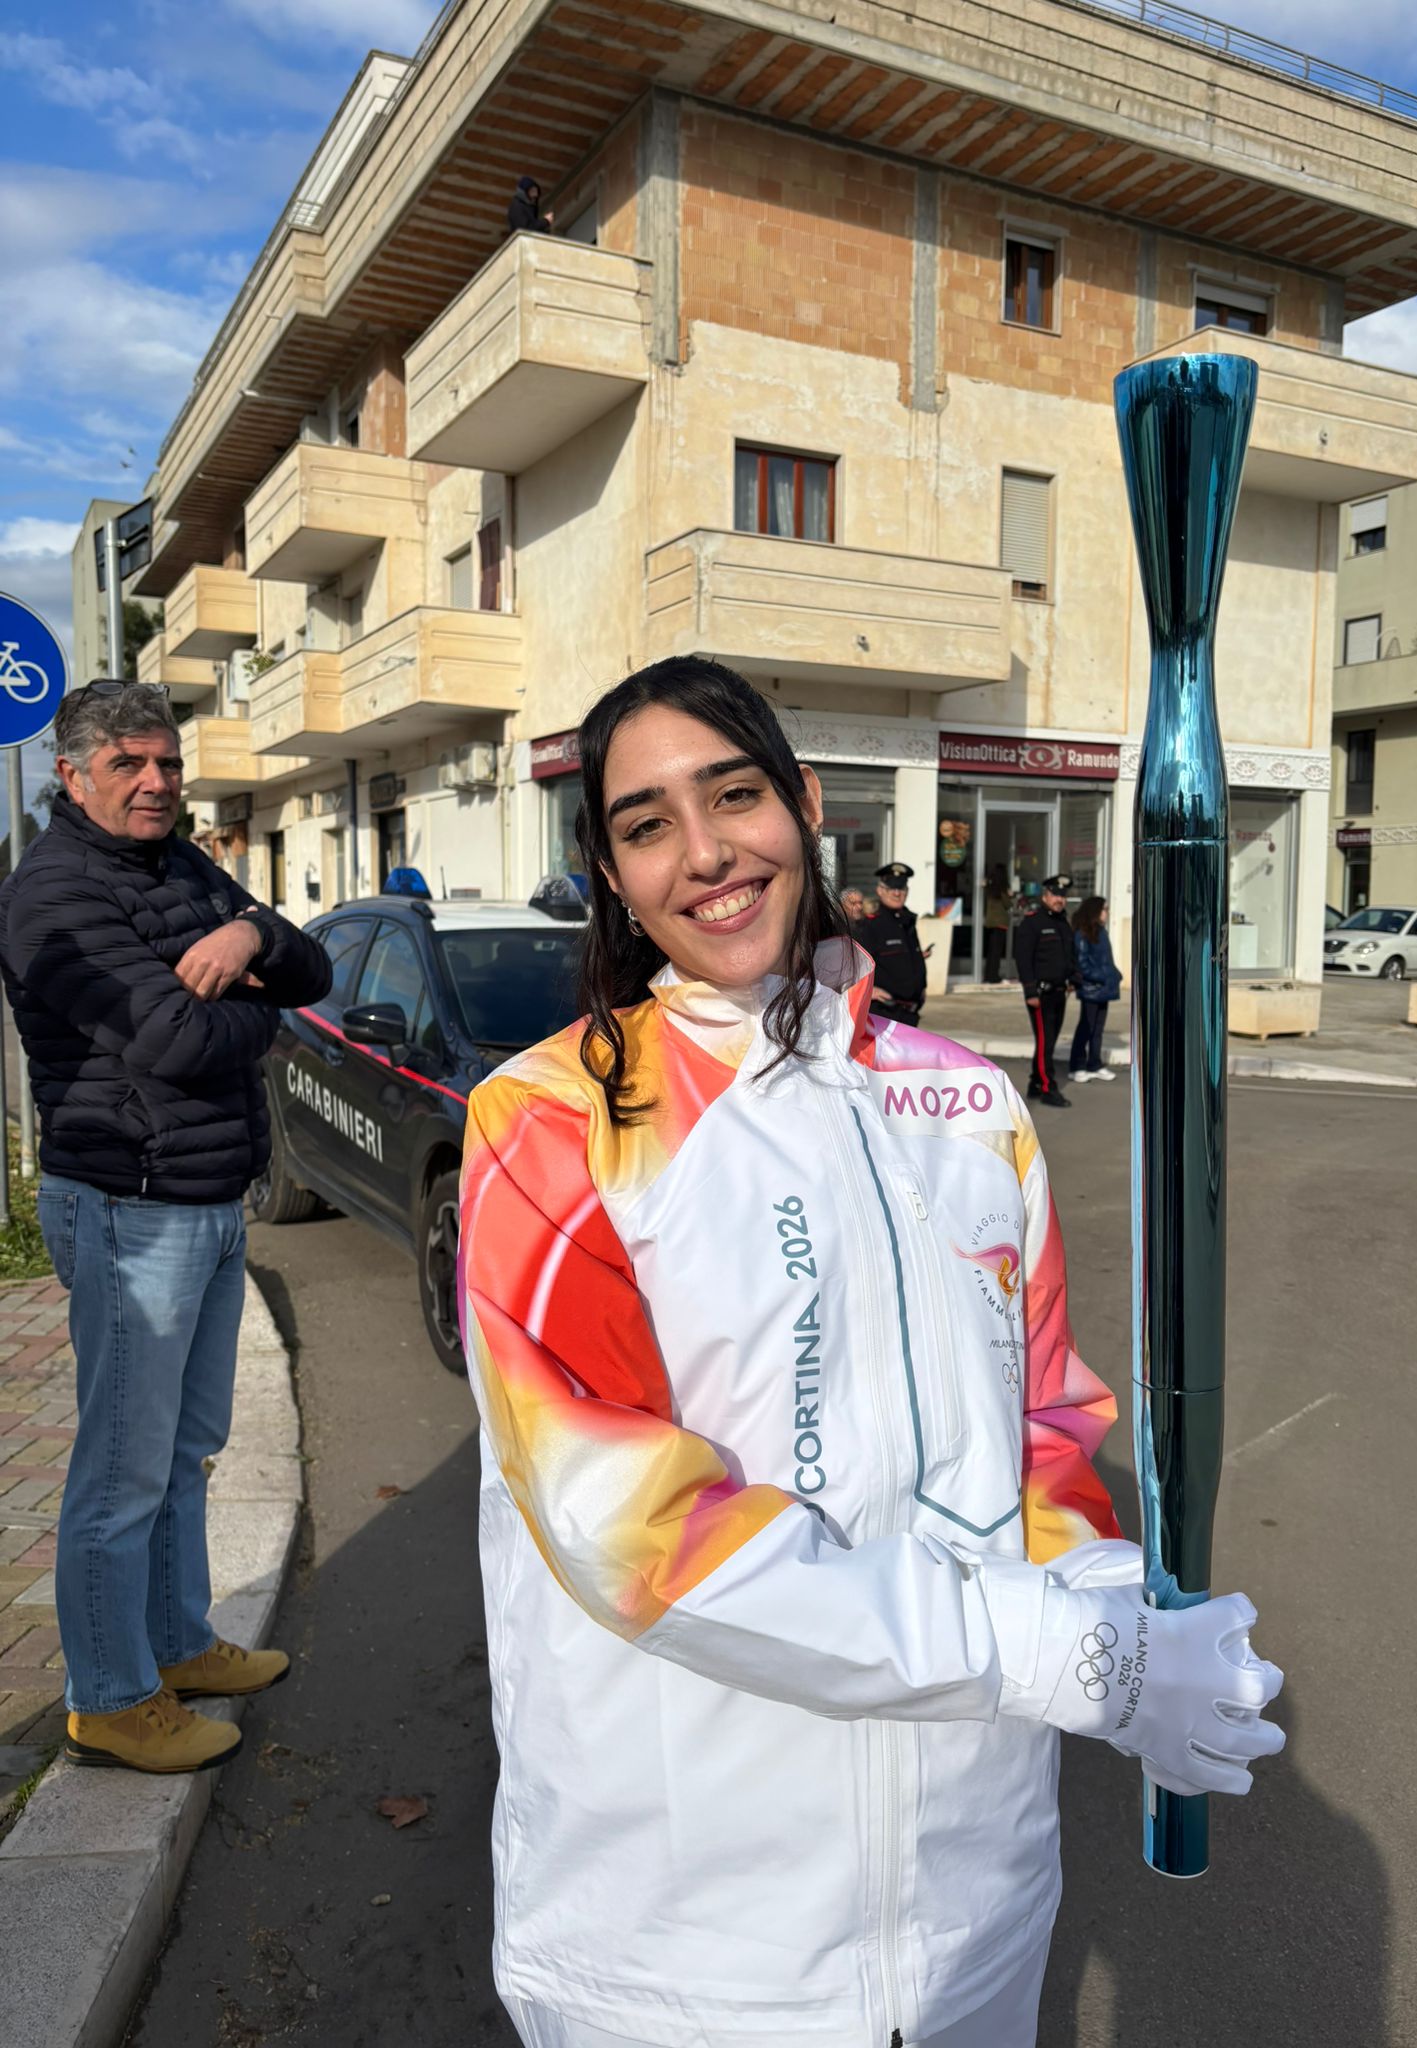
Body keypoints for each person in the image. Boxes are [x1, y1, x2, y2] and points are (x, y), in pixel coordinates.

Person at [459, 655, 1284, 2048]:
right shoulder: (545, 1125)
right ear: (611, 871)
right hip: (690, 1950)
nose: (705, 852)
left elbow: (1043, 1432)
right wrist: (1049, 1652)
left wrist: (1115, 1612)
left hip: (974, 1906)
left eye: (734, 795)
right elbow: (629, 1530)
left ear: (804, 802)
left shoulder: (967, 1105)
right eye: (649, 824)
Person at [0, 680, 332, 1774]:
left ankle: (180, 1644)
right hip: (127, 1207)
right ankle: (108, 1697)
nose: (156, 783)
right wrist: (264, 1007)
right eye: (130, 765)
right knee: (122, 1471)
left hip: (207, 1197)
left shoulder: (182, 865)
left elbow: (312, 964)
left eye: (169, 763)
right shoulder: (50, 895)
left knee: (187, 1450)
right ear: (72, 775)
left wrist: (246, 930)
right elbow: (175, 1042)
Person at [1013, 872, 1078, 1109]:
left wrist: (1073, 978)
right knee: (1045, 1042)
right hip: (1040, 995)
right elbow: (1023, 959)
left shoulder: (1062, 923)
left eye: (1063, 895)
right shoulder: (1032, 923)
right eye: (1055, 895)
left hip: (1059, 992)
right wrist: (1030, 991)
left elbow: (1069, 956)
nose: (1059, 899)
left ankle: (1035, 1082)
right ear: (1045, 896)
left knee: (1048, 1041)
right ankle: (1048, 1087)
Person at [863, 857, 927, 1024]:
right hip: (884, 1015)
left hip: (910, 1015)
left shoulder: (907, 922)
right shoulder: (871, 924)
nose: (897, 893)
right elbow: (852, 966)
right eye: (891, 888)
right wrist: (867, 990)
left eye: (901, 888)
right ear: (880, 890)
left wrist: (921, 988)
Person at [1069, 894, 1122, 1084]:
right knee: (1086, 1027)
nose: (1107, 913)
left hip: (1104, 988)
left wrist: (1115, 974)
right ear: (1095, 911)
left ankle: (1095, 1064)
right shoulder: (1082, 934)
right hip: (1091, 988)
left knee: (1098, 1029)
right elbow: (1083, 964)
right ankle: (1077, 1065)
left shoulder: (1101, 932)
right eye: (1104, 909)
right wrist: (1104, 977)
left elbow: (1106, 960)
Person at [981, 864, 1012, 983]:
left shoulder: (989, 888)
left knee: (991, 951)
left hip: (990, 922)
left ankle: (988, 974)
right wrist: (1010, 895)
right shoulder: (1001, 889)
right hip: (1000, 922)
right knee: (996, 951)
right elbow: (1008, 904)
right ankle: (994, 976)